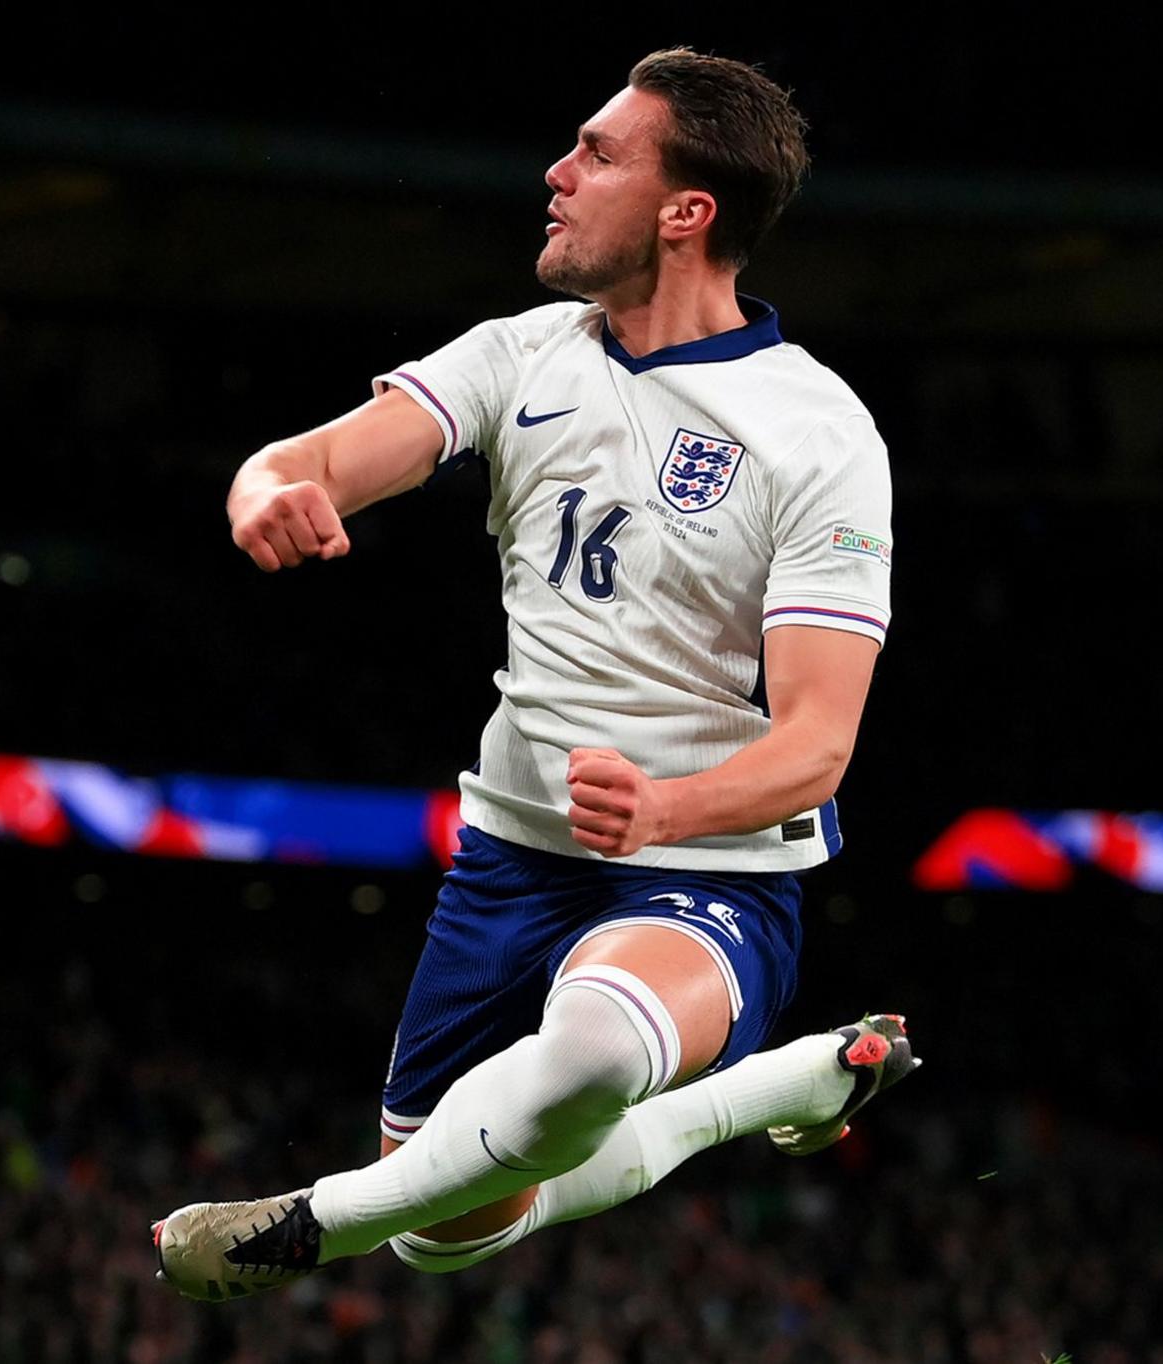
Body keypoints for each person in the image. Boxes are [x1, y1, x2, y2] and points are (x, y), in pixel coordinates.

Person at [153, 47, 916, 1301]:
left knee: (589, 1054)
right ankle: (777, 1085)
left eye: (598, 155)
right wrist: (270, 491)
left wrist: (664, 811)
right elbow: (310, 458)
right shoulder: (522, 355)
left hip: (709, 864)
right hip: (511, 851)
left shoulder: (816, 434)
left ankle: (309, 1224)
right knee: (449, 1219)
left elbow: (818, 745)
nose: (556, 175)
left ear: (687, 212)